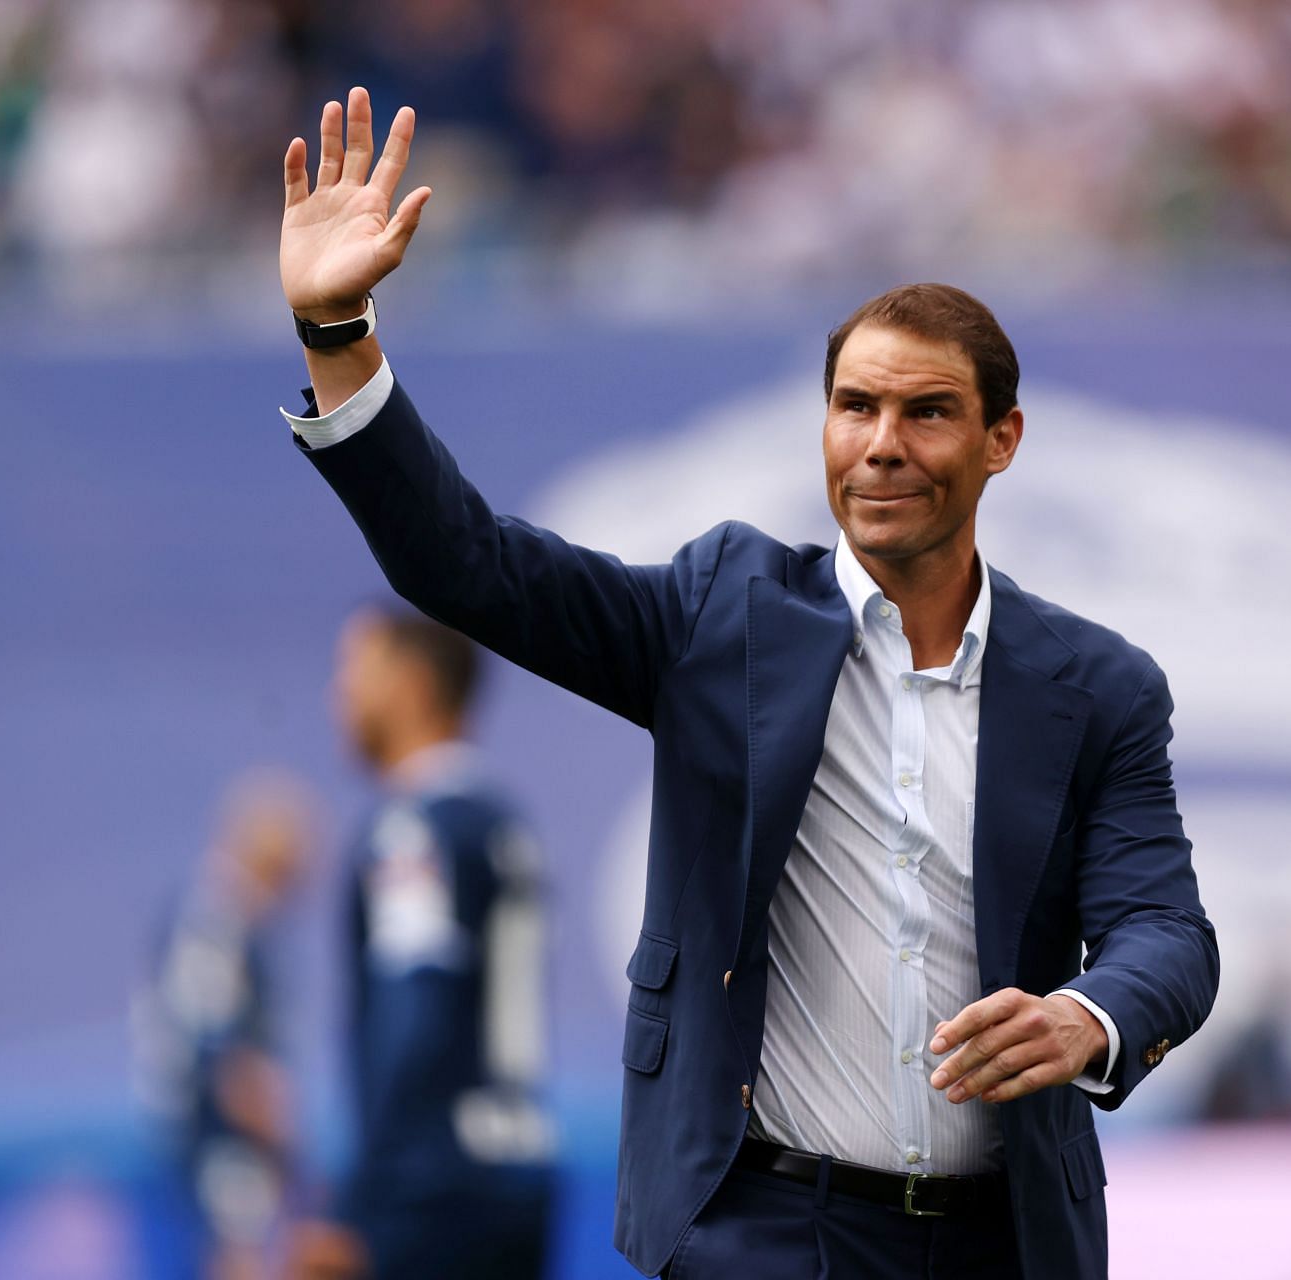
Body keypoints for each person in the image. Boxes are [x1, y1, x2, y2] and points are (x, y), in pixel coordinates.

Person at [275, 87, 1218, 1279]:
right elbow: (466, 561)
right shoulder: (724, 614)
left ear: (1003, 439)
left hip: (1004, 1237)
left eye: (928, 412)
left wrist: (1086, 1013)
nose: (882, 443)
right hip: (765, 1227)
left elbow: (1167, 929)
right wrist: (338, 329)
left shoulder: (1097, 686)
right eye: (854, 406)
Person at [290, 605, 555, 1280]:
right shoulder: (500, 821)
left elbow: (418, 1015)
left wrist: (356, 1204)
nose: (338, 693)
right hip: (516, 1170)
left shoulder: (414, 830)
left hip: (431, 1190)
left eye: (354, 669)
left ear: (410, 683)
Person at [134, 772, 317, 1280]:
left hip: (204, 1142)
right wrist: (288, 1149)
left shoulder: (210, 917)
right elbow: (226, 1061)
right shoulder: (220, 921)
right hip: (220, 1147)